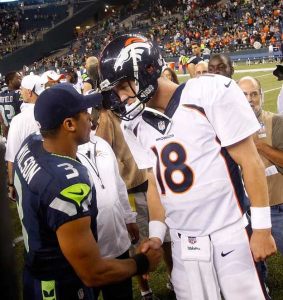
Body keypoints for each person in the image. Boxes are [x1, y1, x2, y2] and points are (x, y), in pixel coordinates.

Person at [99, 34, 276, 300]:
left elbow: (250, 162)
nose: (121, 96)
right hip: (183, 243)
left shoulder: (208, 92)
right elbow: (155, 182)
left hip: (229, 233)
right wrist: (157, 236)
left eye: (124, 85)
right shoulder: (132, 124)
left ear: (148, 70)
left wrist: (262, 228)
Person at [13, 83, 162, 300]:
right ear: (69, 124)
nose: (89, 117)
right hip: (61, 286)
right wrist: (142, 263)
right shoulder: (67, 183)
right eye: (83, 112)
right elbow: (94, 273)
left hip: (36, 274)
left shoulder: (31, 145)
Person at [78, 127, 139, 300]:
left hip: (117, 240)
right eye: (84, 112)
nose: (90, 116)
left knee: (121, 294)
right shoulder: (63, 155)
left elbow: (118, 183)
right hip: (89, 249)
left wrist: (129, 217)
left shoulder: (102, 143)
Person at [238, 76, 283, 255]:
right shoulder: (227, 128)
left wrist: (259, 145)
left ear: (261, 96)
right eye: (244, 95)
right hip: (244, 211)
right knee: (252, 261)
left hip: (276, 205)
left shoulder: (276, 122)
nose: (249, 100)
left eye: (254, 94)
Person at [5, 74, 44, 202]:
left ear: (29, 92)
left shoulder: (18, 120)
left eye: (22, 89)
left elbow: (12, 157)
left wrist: (11, 184)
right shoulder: (53, 111)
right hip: (55, 174)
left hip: (30, 178)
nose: (20, 91)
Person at [0, 71, 22, 137]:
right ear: (10, 81)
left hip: (7, 132)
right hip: (19, 132)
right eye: (18, 78)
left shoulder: (1, 95)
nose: (21, 80)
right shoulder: (19, 93)